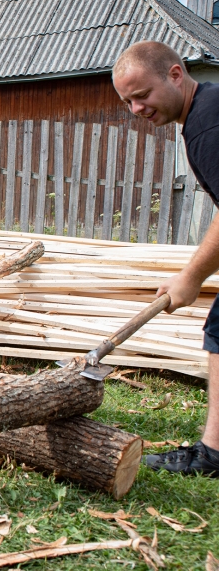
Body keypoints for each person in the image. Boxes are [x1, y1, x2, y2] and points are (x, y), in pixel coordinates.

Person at [112, 40, 219, 477]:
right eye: (127, 101)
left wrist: (190, 276)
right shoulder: (207, 109)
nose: (136, 108)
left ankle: (212, 454)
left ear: (175, 75)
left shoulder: (207, 126)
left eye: (142, 95)